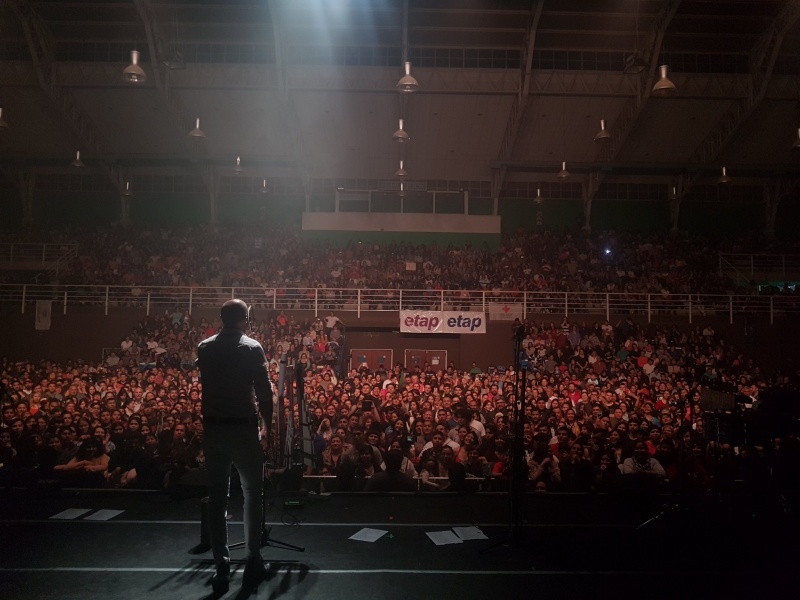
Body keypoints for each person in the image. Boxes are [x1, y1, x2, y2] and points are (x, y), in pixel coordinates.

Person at [196, 299, 273, 595]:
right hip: (243, 429)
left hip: (214, 429)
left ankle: (221, 565)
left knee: (217, 499)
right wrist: (267, 427)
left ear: (222, 318)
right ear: (246, 318)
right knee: (253, 494)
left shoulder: (204, 347)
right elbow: (265, 393)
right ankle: (253, 557)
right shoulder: (252, 347)